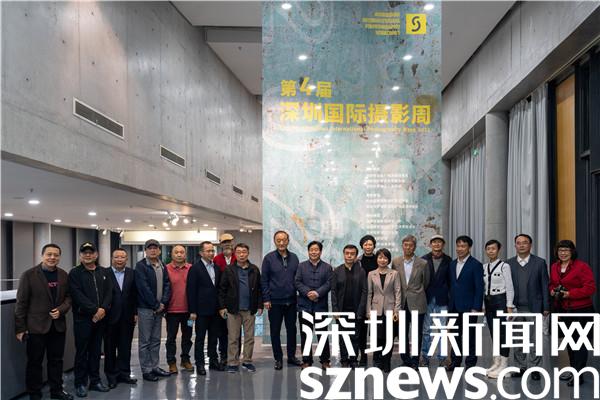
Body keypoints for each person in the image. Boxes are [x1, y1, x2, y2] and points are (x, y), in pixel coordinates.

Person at [15, 243, 73, 400]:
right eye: (49, 254)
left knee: (56, 361)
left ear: (59, 257)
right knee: (35, 362)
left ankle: (56, 391)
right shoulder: (29, 275)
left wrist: (61, 310)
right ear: (42, 256)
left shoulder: (63, 275)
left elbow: (68, 297)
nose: (52, 257)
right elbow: (21, 303)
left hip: (57, 326)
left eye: (56, 255)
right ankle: (34, 393)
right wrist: (20, 328)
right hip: (36, 327)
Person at [548, 240, 596, 387]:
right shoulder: (554, 266)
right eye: (560, 250)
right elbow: (552, 284)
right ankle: (573, 370)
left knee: (579, 343)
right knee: (569, 342)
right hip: (563, 310)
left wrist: (570, 294)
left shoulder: (582, 267)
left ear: (572, 252)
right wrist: (552, 291)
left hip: (581, 310)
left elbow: (590, 288)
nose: (563, 253)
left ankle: (579, 375)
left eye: (566, 250)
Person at [69, 242, 113, 397]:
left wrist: (103, 309)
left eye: (91, 252)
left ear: (96, 254)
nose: (88, 255)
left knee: (96, 351)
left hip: (100, 319)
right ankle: (80, 383)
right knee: (82, 352)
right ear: (80, 255)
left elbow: (109, 292)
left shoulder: (104, 271)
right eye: (84, 252)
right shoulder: (75, 273)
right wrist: (95, 310)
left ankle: (95, 381)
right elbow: (77, 295)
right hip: (83, 319)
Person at [506, 233, 550, 380]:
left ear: (530, 245)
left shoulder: (540, 262)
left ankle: (535, 368)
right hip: (516, 308)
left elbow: (545, 285)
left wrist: (546, 306)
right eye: (518, 243)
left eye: (525, 242)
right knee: (518, 339)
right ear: (515, 245)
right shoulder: (508, 264)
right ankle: (521, 367)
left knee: (535, 340)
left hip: (534, 308)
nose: (522, 245)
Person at [218, 243, 263, 373]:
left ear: (248, 253)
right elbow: (222, 289)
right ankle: (232, 362)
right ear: (235, 254)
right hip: (233, 309)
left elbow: (259, 289)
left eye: (244, 252)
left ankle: (247, 361)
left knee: (249, 338)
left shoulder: (254, 269)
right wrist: (222, 307)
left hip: (249, 309)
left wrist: (259, 305)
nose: (241, 254)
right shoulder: (229, 269)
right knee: (233, 337)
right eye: (238, 252)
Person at [261, 230, 302, 370]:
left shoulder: (294, 258)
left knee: (292, 330)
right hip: (275, 302)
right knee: (275, 331)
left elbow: (298, 279)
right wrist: (266, 299)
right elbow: (264, 280)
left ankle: (291, 356)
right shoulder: (268, 258)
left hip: (291, 301)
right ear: (275, 242)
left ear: (288, 241)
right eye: (278, 240)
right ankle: (278, 359)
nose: (281, 243)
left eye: (284, 240)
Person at [135, 239, 172, 382]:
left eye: (155, 248)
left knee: (156, 340)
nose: (153, 250)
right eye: (149, 248)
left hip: (159, 309)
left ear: (159, 250)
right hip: (146, 309)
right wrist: (156, 304)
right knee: (145, 341)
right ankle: (146, 370)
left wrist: (163, 303)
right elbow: (143, 288)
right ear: (146, 251)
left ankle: (155, 366)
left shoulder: (162, 265)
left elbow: (167, 284)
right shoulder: (141, 266)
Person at [446, 235, 484, 372]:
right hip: (454, 306)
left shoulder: (476, 265)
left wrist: (476, 307)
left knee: (470, 336)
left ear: (469, 247)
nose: (460, 249)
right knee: (455, 335)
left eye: (463, 246)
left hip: (469, 307)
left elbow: (479, 288)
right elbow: (450, 285)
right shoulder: (452, 264)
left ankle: (470, 363)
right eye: (458, 246)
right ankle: (455, 361)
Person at [392, 234, 430, 369]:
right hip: (401, 303)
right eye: (405, 245)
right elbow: (394, 281)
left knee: (416, 333)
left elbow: (426, 282)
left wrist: (416, 293)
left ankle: (415, 361)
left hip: (417, 302)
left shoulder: (423, 263)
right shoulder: (396, 262)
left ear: (415, 247)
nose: (408, 247)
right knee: (402, 333)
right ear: (402, 246)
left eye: (411, 245)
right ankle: (405, 360)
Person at [296, 241, 333, 369]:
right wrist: (308, 293)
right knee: (306, 335)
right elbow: (297, 282)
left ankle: (325, 361)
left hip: (320, 306)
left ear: (320, 252)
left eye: (316, 250)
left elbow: (329, 283)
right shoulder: (301, 266)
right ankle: (307, 361)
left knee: (323, 334)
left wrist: (317, 293)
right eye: (311, 249)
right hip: (304, 306)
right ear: (308, 251)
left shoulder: (327, 267)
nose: (313, 252)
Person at [187, 241, 223, 375]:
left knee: (214, 338)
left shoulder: (217, 268)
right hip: (201, 311)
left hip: (215, 310)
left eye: (212, 250)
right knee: (200, 339)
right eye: (208, 251)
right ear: (201, 253)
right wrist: (192, 310)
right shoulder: (195, 268)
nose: (211, 253)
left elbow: (218, 289)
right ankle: (200, 364)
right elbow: (191, 291)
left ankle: (213, 361)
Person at [104, 248, 138, 389]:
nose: (119, 259)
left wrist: (135, 313)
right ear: (112, 258)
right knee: (110, 348)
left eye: (122, 257)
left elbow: (135, 294)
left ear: (126, 259)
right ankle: (111, 376)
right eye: (116, 257)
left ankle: (124, 373)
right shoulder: (104, 273)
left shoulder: (132, 273)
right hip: (109, 317)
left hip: (127, 317)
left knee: (125, 347)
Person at [481, 239, 514, 378]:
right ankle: (497, 362)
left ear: (498, 250)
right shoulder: (484, 267)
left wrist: (509, 306)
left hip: (501, 301)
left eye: (493, 248)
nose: (491, 251)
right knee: (493, 333)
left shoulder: (504, 266)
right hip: (489, 302)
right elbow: (483, 288)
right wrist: (483, 306)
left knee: (503, 333)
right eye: (488, 249)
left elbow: (510, 287)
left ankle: (504, 365)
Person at [331, 244, 367, 367]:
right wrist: (335, 309)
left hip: (356, 310)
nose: (349, 256)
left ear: (356, 256)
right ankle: (344, 359)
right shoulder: (337, 271)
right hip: (341, 310)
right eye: (347, 253)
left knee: (355, 336)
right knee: (342, 336)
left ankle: (353, 359)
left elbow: (364, 292)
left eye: (352, 254)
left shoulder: (361, 271)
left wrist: (361, 310)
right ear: (344, 254)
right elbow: (334, 291)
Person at [367, 248, 401, 372]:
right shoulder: (371, 274)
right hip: (375, 310)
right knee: (376, 338)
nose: (382, 260)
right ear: (377, 259)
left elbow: (398, 292)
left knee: (388, 338)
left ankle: (387, 361)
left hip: (390, 311)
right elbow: (369, 293)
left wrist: (397, 311)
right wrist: (368, 311)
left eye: (385, 258)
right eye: (380, 257)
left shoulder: (394, 273)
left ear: (389, 260)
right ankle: (377, 361)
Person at [420, 234, 452, 367]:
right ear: (430, 244)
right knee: (426, 329)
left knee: (442, 329)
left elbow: (451, 281)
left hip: (442, 299)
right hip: (427, 298)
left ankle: (443, 358)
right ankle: (424, 357)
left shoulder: (448, 260)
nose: (436, 244)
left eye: (439, 242)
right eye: (434, 242)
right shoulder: (423, 259)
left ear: (443, 245)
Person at [164, 245, 193, 374]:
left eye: (182, 252)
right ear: (172, 254)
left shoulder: (191, 268)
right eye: (176, 252)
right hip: (171, 311)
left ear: (185, 254)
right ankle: (171, 362)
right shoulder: (166, 269)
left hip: (189, 312)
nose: (179, 254)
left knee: (187, 337)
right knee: (171, 338)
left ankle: (185, 360)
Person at [213, 233, 238, 368]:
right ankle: (224, 356)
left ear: (233, 242)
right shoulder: (216, 259)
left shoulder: (238, 257)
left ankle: (235, 356)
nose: (227, 244)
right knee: (222, 331)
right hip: (221, 300)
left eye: (229, 241)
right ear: (221, 244)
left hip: (236, 301)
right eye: (224, 242)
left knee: (236, 332)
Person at [357, 234, 377, 366]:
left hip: (377, 298)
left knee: (376, 330)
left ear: (374, 246)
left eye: (370, 244)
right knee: (362, 330)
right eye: (365, 244)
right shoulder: (357, 261)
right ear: (362, 246)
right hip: (362, 298)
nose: (368, 247)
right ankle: (363, 357)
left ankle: (376, 357)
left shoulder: (379, 259)